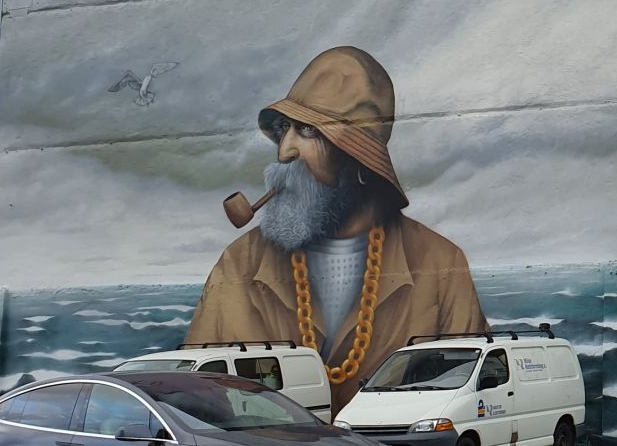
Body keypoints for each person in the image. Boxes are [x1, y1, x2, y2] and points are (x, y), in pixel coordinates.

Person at [186, 46, 487, 410]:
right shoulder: (238, 265)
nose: (285, 151)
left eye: (308, 130)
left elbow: (468, 404)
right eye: (284, 129)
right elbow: (196, 404)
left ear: (360, 160)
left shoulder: (441, 266)